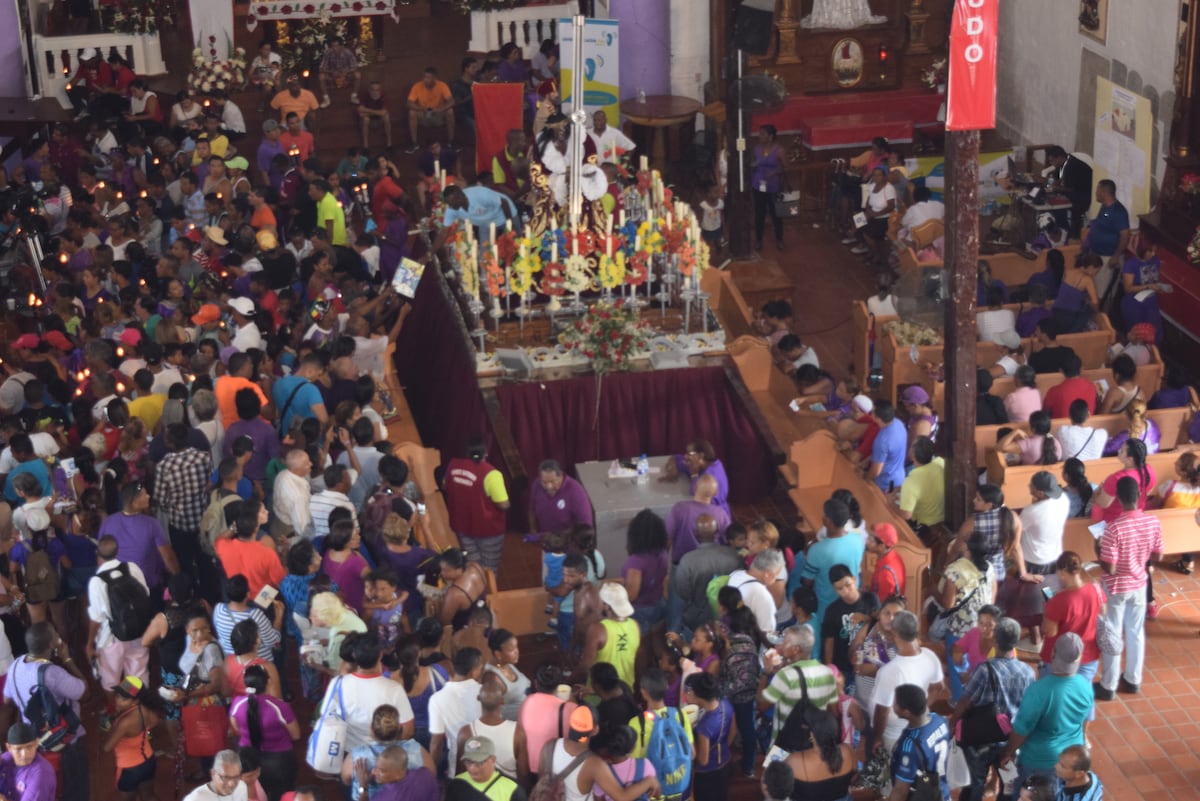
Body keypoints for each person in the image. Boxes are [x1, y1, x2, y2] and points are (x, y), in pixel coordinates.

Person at [947, 617, 1034, 801]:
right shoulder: (1027, 672)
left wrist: (953, 722)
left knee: (975, 783)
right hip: (1010, 740)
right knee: (1009, 785)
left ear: (995, 641)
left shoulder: (984, 669)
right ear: (1016, 642)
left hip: (981, 739)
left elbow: (966, 701)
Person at [1094, 476, 1163, 700]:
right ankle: (1133, 679)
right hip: (1140, 583)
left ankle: (1109, 684)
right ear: (1140, 495)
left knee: (1112, 632)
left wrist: (1099, 550)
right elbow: (1159, 554)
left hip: (1117, 587)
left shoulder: (1114, 529)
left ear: (1119, 499)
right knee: (1136, 632)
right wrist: (1139, 559)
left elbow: (1111, 568)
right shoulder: (1153, 522)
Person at [5, 623, 89, 800]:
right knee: (76, 787)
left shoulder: (15, 666)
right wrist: (67, 659)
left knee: (50, 786)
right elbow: (84, 691)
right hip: (65, 740)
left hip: (36, 741)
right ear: (53, 643)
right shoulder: (52, 673)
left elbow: (7, 699)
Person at [1000, 634, 1091, 790]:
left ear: (1053, 653)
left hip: (1039, 760)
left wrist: (1008, 752)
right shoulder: (1085, 685)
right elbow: (1084, 720)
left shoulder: (1039, 690)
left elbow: (1022, 729)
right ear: (1079, 657)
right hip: (1070, 758)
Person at [868, 611, 943, 754]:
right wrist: (922, 709)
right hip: (917, 726)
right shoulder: (930, 656)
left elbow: (882, 712)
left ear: (894, 634)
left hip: (894, 735)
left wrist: (877, 738)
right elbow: (938, 687)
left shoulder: (890, 671)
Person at [228, 664, 299, 801]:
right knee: (282, 794)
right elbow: (296, 735)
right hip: (279, 761)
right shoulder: (280, 706)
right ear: (268, 682)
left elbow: (236, 728)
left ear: (246, 683)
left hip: (249, 761)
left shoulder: (237, 703)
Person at [758, 624, 838, 746]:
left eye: (785, 642)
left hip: (786, 745)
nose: (781, 646)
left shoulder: (785, 676)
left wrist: (765, 672)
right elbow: (834, 711)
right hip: (814, 744)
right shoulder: (827, 673)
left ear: (796, 649)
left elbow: (761, 706)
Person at [444, 436, 510, 571]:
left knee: (473, 566)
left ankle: (474, 589)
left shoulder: (452, 465)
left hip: (462, 526)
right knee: (489, 569)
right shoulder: (491, 474)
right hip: (488, 530)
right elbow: (503, 504)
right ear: (485, 452)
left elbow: (445, 485)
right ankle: (487, 591)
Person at [802, 498, 865, 628]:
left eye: (824, 515)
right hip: (852, 600)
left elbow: (807, 581)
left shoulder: (817, 550)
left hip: (827, 605)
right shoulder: (857, 539)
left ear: (828, 521)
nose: (822, 517)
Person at [886, 685, 951, 801]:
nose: (892, 705)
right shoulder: (939, 720)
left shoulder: (910, 746)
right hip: (942, 792)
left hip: (922, 794)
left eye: (895, 703)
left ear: (906, 712)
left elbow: (901, 791)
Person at [103, 675, 161, 801]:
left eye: (124, 699)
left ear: (135, 701)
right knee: (149, 797)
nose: (118, 701)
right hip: (148, 761)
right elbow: (155, 722)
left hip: (128, 769)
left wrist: (110, 728)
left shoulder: (125, 722)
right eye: (117, 696)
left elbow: (107, 747)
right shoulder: (146, 709)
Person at [429, 646, 484, 774]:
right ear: (475, 671)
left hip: (458, 761)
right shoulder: (484, 692)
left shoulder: (437, 699)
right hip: (486, 755)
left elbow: (436, 743)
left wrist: (432, 771)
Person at [577, 584, 640, 688]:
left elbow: (586, 665)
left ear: (606, 606)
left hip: (600, 692)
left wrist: (568, 681)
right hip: (626, 690)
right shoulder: (635, 626)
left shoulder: (598, 629)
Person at [685, 672, 734, 801]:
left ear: (697, 695)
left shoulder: (704, 726)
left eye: (690, 691)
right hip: (726, 760)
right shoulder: (725, 704)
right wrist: (722, 745)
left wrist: (689, 731)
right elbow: (733, 729)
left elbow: (703, 760)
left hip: (708, 773)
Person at [453, 735, 528, 801]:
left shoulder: (513, 788)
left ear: (493, 760)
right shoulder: (458, 782)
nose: (472, 768)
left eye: (479, 763)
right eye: (468, 762)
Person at [352, 744, 437, 801]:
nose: (374, 772)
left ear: (397, 774)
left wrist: (363, 786)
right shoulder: (425, 774)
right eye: (376, 767)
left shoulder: (385, 797)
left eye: (382, 770)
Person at [897, 436, 945, 533]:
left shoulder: (911, 480)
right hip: (944, 518)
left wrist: (890, 503)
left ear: (912, 455)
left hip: (926, 527)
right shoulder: (941, 462)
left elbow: (906, 515)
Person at [0, 722, 56, 801]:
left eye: (29, 747)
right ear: (9, 748)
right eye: (18, 749)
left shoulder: (41, 774)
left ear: (36, 743)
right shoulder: (6, 759)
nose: (24, 754)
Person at [484, 628, 531, 722]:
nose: (516, 652)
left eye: (516, 647)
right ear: (498, 654)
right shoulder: (492, 678)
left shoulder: (507, 664)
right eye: (511, 649)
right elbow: (493, 714)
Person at [750, 125, 785, 251]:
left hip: (773, 186)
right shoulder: (757, 149)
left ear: (770, 137)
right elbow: (753, 162)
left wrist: (774, 172)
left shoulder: (779, 150)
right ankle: (758, 240)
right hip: (758, 184)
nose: (760, 136)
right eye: (760, 133)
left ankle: (779, 239)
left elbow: (784, 167)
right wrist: (753, 166)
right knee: (759, 214)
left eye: (763, 134)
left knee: (776, 214)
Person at [406, 67, 455, 154]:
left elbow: (452, 101)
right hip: (424, 114)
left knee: (450, 111)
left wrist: (440, 109)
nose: (425, 80)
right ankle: (414, 143)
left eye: (428, 77)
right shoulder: (417, 86)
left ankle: (451, 142)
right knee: (411, 112)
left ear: (435, 78)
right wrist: (422, 109)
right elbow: (409, 103)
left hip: (438, 114)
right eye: (424, 77)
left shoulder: (442, 85)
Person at [183, 749, 248, 801]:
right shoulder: (195, 798)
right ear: (213, 773)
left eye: (236, 777)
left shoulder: (241, 787)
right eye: (226, 777)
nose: (231, 783)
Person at [318, 36, 361, 108]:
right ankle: (326, 99)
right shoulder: (328, 52)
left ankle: (354, 96)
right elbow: (321, 68)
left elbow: (355, 66)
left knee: (358, 75)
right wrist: (331, 72)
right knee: (321, 76)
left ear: (341, 46)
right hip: (332, 75)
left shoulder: (348, 52)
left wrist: (346, 72)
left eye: (337, 46)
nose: (335, 48)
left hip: (346, 75)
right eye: (333, 46)